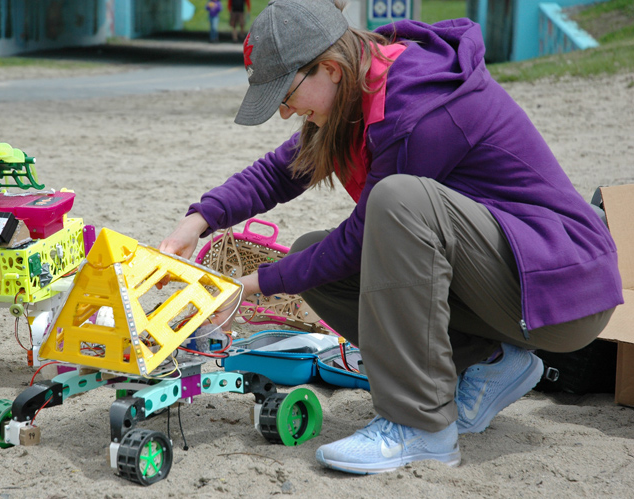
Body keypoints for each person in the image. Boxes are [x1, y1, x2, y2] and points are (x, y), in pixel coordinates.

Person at [159, 0, 623, 475]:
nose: (284, 113)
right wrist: (197, 221)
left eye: (286, 94)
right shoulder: (362, 86)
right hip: (509, 288)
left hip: (562, 294)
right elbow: (281, 171)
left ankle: (421, 427)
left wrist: (247, 287)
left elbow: (358, 240)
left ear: (330, 68)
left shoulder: (418, 107)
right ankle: (489, 361)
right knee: (310, 258)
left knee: (397, 202)